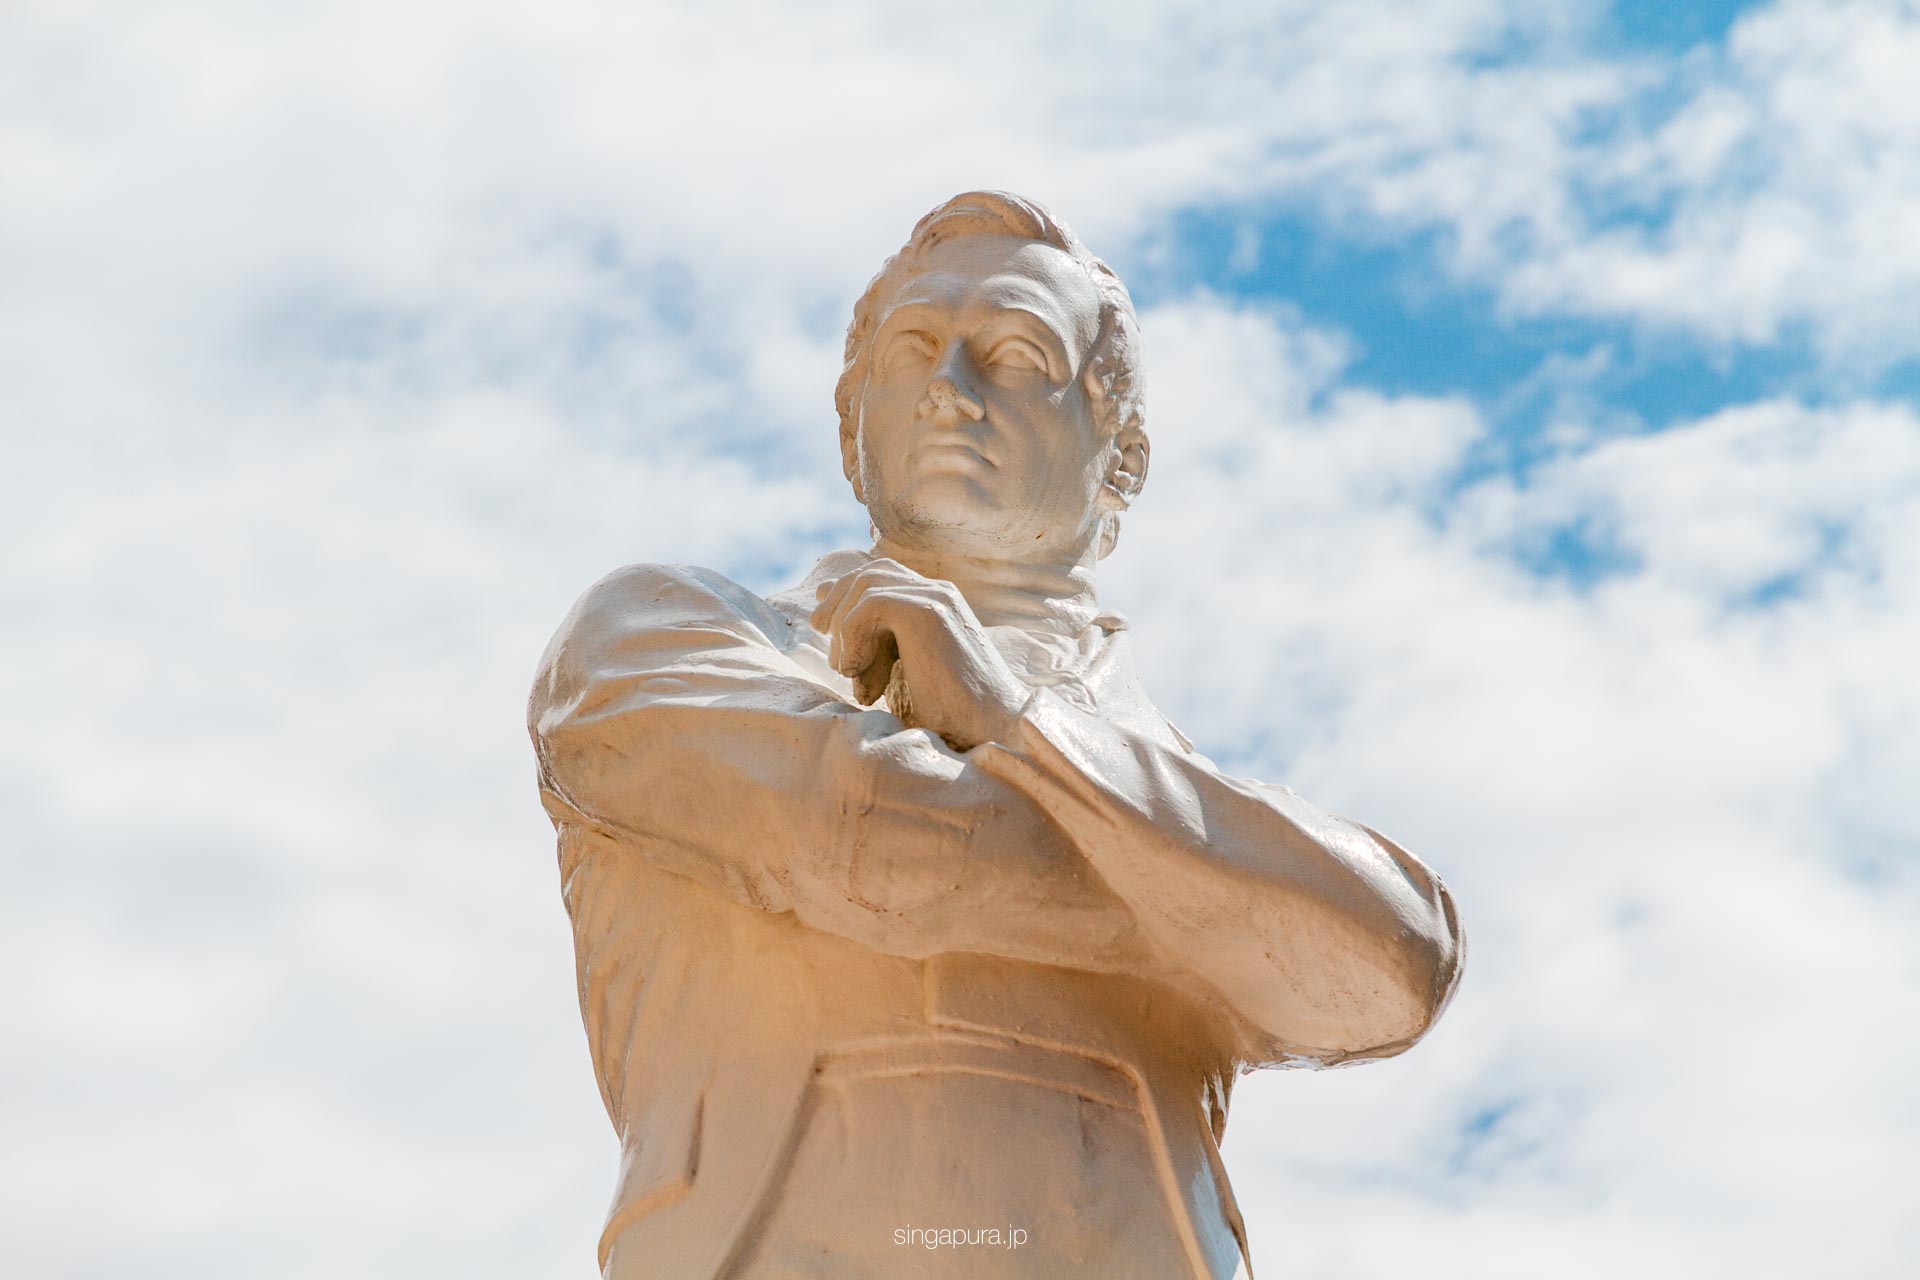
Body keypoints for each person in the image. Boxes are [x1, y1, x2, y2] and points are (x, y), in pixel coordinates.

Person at [528, 190, 1464, 1279]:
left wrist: (1018, 723)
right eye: (912, 350)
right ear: (850, 428)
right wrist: (1218, 916)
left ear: (1121, 456)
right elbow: (888, 851)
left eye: (1015, 355)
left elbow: (1394, 964)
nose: (949, 388)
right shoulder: (660, 640)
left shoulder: (1174, 778)